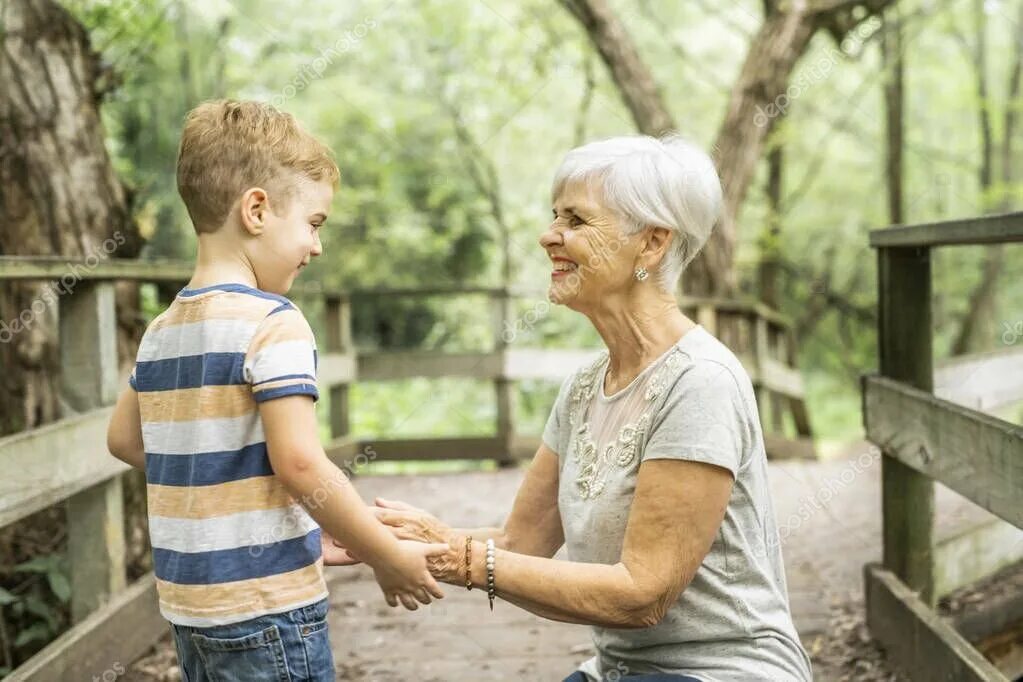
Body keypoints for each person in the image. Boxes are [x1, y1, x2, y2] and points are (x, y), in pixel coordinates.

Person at [336, 135, 814, 681]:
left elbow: (642, 595)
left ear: (652, 244)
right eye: (554, 216)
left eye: (576, 221)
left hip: (724, 671)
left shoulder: (701, 383)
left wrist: (457, 559)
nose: (549, 236)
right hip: (618, 671)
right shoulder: (586, 386)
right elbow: (522, 545)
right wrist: (383, 535)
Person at [106, 99, 447, 681]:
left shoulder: (161, 330)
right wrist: (385, 553)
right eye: (313, 224)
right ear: (257, 210)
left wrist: (250, 505)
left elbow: (125, 440)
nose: (317, 246)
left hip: (192, 613)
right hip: (269, 609)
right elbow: (299, 463)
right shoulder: (274, 321)